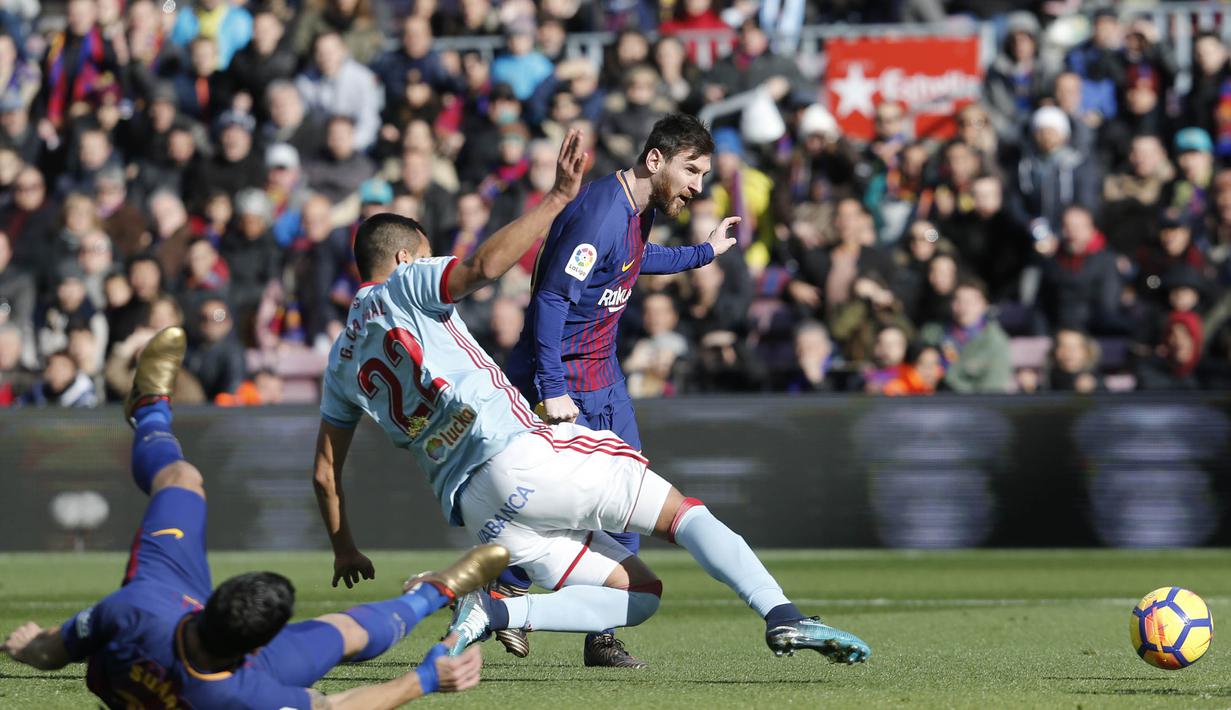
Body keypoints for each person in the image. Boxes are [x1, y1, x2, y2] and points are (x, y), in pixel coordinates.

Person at [311, 129, 870, 674]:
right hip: (520, 451)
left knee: (642, 592)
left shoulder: (341, 360)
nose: (699, 185)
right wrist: (556, 198)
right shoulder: (409, 284)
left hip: (477, 510)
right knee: (684, 514)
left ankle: (497, 608)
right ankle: (782, 615)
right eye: (693, 171)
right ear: (409, 257)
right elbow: (494, 272)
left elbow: (325, 474)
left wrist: (345, 549)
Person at [2, 326, 504, 707]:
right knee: (346, 633)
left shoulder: (137, 607)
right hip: (198, 642)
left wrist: (29, 647)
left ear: (209, 601)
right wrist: (425, 680)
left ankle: (150, 409)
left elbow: (51, 652)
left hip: (164, 603)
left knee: (181, 481)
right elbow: (337, 704)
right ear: (259, 648)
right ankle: (435, 591)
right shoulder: (248, 695)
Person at [502, 115, 738, 666]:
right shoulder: (600, 212)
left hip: (603, 378)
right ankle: (505, 589)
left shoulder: (641, 209)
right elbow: (553, 300)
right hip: (561, 382)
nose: (698, 186)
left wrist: (704, 254)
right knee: (560, 505)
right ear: (655, 160)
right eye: (693, 171)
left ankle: (602, 630)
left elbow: (631, 264)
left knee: (631, 501)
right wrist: (553, 387)